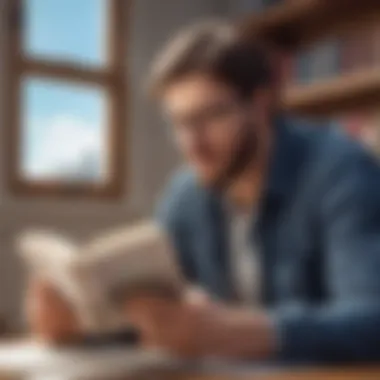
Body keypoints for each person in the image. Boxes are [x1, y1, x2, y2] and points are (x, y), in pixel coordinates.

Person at [27, 21, 380, 363]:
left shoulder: (341, 172)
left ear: (260, 104)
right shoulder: (187, 195)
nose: (192, 145)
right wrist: (79, 326)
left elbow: (371, 321)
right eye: (179, 123)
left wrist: (231, 332)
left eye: (210, 116)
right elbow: (163, 325)